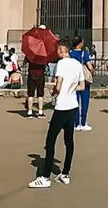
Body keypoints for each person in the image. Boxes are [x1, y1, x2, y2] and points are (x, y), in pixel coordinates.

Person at [29, 40, 85, 188]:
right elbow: (82, 86)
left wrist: (54, 91)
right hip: (73, 105)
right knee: (69, 141)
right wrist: (71, 89)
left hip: (62, 106)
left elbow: (58, 85)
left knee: (50, 141)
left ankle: (45, 177)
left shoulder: (61, 64)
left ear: (61, 50)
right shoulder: (77, 64)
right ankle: (65, 173)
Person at [68, 36, 94, 131]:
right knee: (85, 101)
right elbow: (90, 67)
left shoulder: (70, 53)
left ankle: (76, 123)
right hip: (83, 80)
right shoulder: (84, 53)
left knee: (75, 102)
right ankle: (83, 122)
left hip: (73, 80)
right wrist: (92, 73)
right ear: (80, 43)